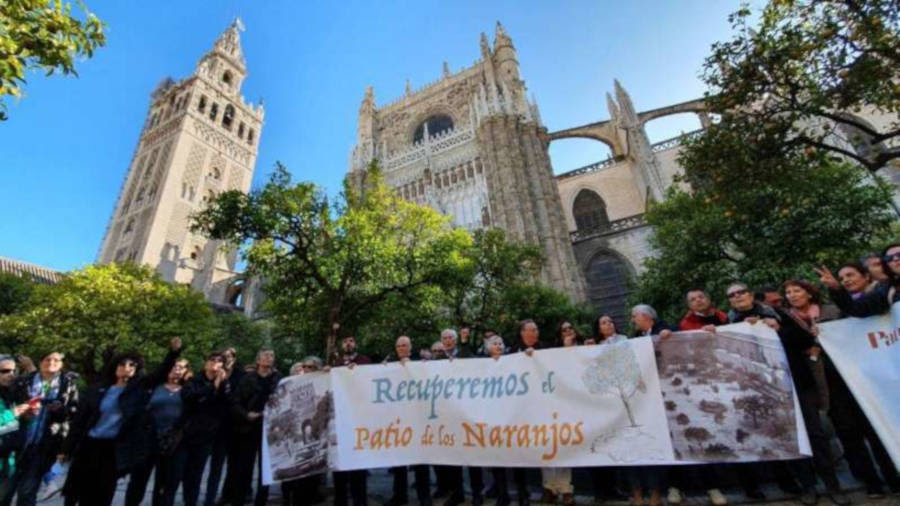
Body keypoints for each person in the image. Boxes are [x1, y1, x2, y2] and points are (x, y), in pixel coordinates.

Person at [726, 282, 849, 505]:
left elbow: (805, 340)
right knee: (790, 439)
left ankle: (833, 486)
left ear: (751, 295)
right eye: (732, 295)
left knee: (816, 435)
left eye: (741, 292)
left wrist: (777, 328)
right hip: (765, 391)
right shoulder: (730, 324)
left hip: (798, 384)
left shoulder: (779, 313)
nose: (738, 297)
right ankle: (807, 486)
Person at [782, 279, 899, 496]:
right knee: (849, 435)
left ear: (809, 293)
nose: (792, 295)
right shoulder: (787, 321)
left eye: (797, 290)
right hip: (825, 386)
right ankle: (871, 483)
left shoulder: (835, 311)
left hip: (855, 379)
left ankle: (892, 478)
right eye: (788, 292)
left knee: (873, 428)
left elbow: (856, 334)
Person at [61, 350, 148, 505]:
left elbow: (159, 376)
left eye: (131, 365)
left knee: (102, 493)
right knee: (77, 489)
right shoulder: (98, 389)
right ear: (115, 366)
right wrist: (66, 449)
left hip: (112, 449)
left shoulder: (137, 394)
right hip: (89, 444)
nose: (126, 367)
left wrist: (173, 353)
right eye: (122, 364)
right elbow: (80, 421)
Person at [124, 338, 190, 506]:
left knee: (163, 482)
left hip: (170, 441)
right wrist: (173, 352)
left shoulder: (188, 390)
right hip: (148, 438)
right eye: (174, 367)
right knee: (138, 480)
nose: (176, 370)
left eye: (180, 368)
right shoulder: (155, 386)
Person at [10, 351, 79, 506]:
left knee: (27, 491)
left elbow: (73, 412)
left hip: (44, 443)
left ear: (62, 365)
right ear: (41, 362)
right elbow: (10, 405)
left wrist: (59, 409)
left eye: (56, 360)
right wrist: (22, 412)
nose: (51, 362)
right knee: (6, 489)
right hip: (17, 441)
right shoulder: (24, 381)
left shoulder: (67, 385)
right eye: (47, 359)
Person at [627, 305, 670, 506]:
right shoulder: (635, 338)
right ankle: (638, 491)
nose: (632, 320)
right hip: (638, 399)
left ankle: (656, 491)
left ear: (645, 316)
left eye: (634, 316)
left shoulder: (666, 329)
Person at [226, 349, 281, 506]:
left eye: (271, 355)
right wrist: (246, 414)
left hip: (269, 428)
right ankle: (239, 500)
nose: (268, 358)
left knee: (265, 469)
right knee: (244, 467)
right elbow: (235, 402)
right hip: (248, 427)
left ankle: (261, 501)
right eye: (265, 355)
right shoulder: (247, 379)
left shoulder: (278, 379)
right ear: (258, 360)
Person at [179, 351, 231, 506]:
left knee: (213, 472)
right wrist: (212, 387)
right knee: (192, 474)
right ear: (206, 363)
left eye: (219, 360)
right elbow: (190, 398)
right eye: (212, 359)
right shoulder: (194, 380)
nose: (215, 362)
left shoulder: (225, 383)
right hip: (195, 433)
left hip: (216, 432)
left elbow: (227, 403)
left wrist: (221, 385)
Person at [385, 337, 431, 506]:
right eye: (398, 346)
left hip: (418, 418)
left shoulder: (422, 365)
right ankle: (399, 496)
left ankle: (424, 497)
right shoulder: (387, 367)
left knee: (421, 460)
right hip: (398, 420)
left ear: (410, 348)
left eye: (404, 345)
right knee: (399, 461)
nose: (401, 348)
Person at [437, 329, 481, 506]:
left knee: (473, 456)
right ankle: (458, 493)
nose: (447, 341)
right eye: (444, 338)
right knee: (453, 457)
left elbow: (474, 366)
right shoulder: (437, 360)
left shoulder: (465, 354)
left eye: (450, 338)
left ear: (455, 340)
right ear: (441, 341)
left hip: (467, 412)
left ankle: (477, 492)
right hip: (448, 414)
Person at [539, 323, 577, 506]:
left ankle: (566, 489)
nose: (568, 331)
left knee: (564, 445)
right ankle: (549, 487)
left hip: (571, 404)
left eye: (570, 328)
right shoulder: (551, 351)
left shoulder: (584, 348)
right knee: (546, 445)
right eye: (563, 329)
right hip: (549, 404)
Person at [281, 356, 326, 506]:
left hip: (317, 441)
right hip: (299, 442)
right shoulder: (292, 384)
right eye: (304, 367)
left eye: (310, 367)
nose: (305, 369)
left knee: (312, 484)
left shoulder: (324, 381)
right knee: (297, 486)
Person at [332, 337, 370, 506]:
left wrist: (359, 371)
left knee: (358, 463)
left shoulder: (364, 361)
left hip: (360, 419)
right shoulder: (336, 364)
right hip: (340, 420)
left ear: (356, 344)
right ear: (342, 345)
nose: (348, 343)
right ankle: (340, 500)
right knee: (339, 464)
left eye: (352, 341)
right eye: (345, 341)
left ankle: (359, 500)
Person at [206, 346, 245, 506]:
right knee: (215, 465)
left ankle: (228, 494)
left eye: (229, 356)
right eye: (223, 357)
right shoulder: (212, 375)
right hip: (214, 426)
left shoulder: (241, 376)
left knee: (234, 465)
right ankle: (209, 498)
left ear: (234, 359)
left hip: (235, 426)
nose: (226, 359)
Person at [819, 243, 900, 317]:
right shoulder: (888, 291)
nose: (896, 259)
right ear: (888, 266)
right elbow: (857, 309)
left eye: (899, 254)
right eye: (889, 258)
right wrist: (836, 288)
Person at [0, 355, 30, 504]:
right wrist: (12, 414)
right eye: (5, 371)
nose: (11, 374)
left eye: (14, 370)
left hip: (10, 458)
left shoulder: (14, 394)